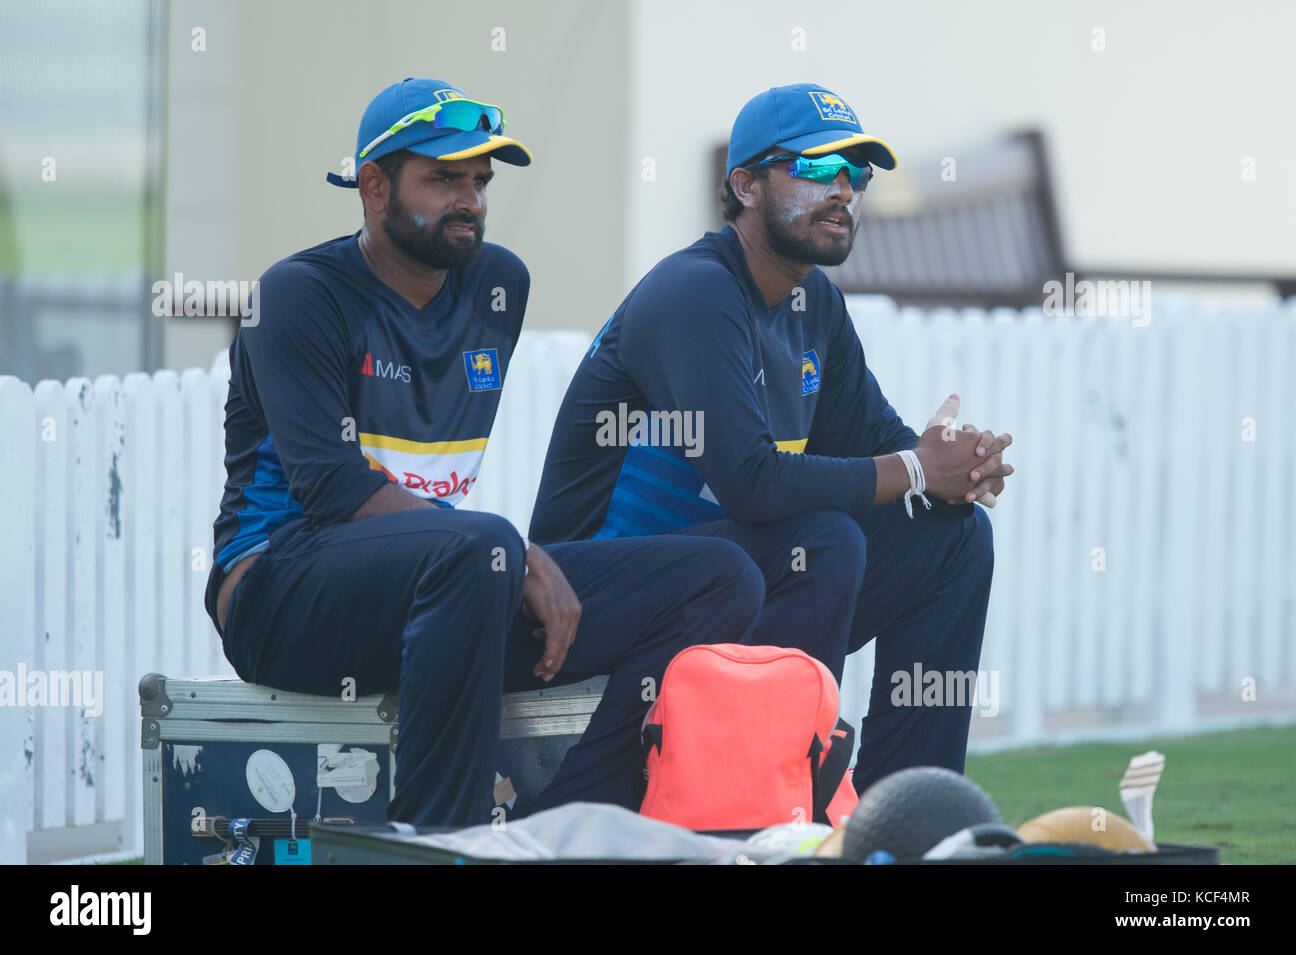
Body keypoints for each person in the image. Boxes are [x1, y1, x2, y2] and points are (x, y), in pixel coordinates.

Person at [204, 78, 764, 827]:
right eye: (443, 179)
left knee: (721, 576)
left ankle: (570, 822)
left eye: (479, 180)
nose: (470, 199)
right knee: (486, 546)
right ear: (373, 187)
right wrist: (519, 555)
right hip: (280, 592)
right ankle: (447, 837)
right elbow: (333, 491)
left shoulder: (499, 281)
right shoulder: (298, 294)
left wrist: (499, 555)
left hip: (442, 589)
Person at [528, 83, 1014, 794]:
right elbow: (750, 480)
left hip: (733, 581)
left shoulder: (814, 302)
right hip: (601, 591)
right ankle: (775, 789)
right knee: (824, 538)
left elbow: (879, 445)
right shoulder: (694, 292)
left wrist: (953, 470)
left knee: (952, 535)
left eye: (854, 174)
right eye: (816, 168)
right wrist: (915, 467)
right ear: (745, 184)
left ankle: (907, 815)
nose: (842, 190)